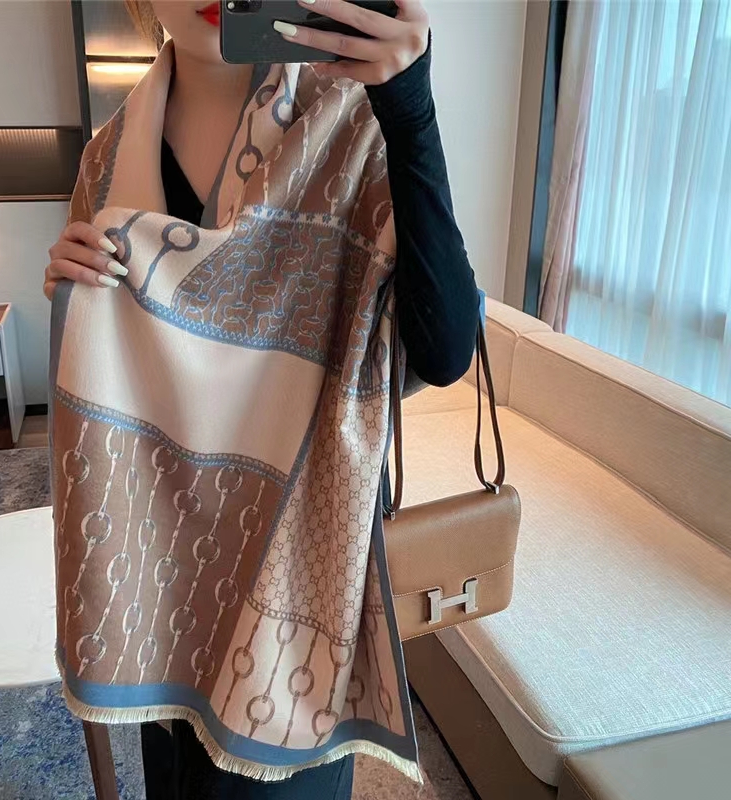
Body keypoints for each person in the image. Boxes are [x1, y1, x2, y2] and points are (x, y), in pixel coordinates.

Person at [45, 2, 480, 798]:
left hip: (290, 565)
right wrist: (70, 290)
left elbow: (446, 349)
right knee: (176, 779)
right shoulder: (107, 157)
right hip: (159, 557)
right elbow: (108, 370)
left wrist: (411, 108)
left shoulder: (350, 122)